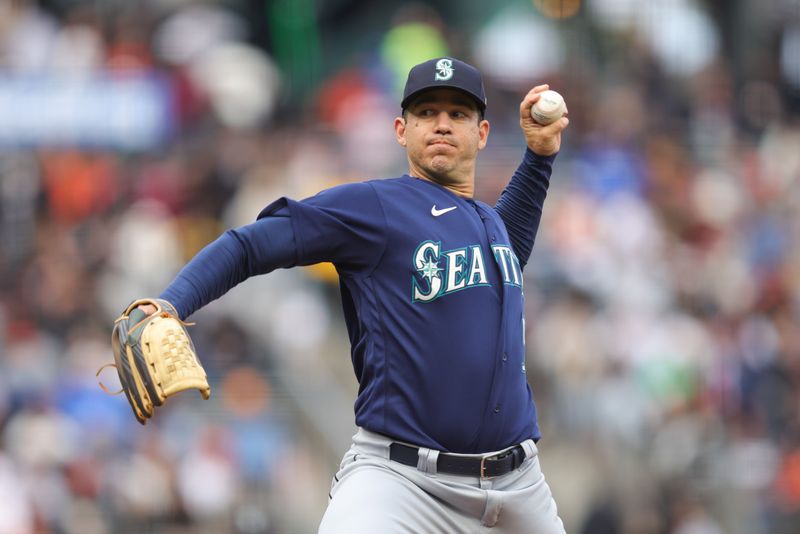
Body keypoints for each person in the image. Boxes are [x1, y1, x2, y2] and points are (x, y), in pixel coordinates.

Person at [136, 57, 568, 533]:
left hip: (519, 486)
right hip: (403, 483)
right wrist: (173, 302)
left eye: (459, 114)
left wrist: (539, 156)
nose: (442, 124)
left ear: (482, 133)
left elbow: (509, 244)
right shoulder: (374, 207)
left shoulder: (490, 226)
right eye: (427, 112)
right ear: (401, 130)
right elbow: (251, 244)